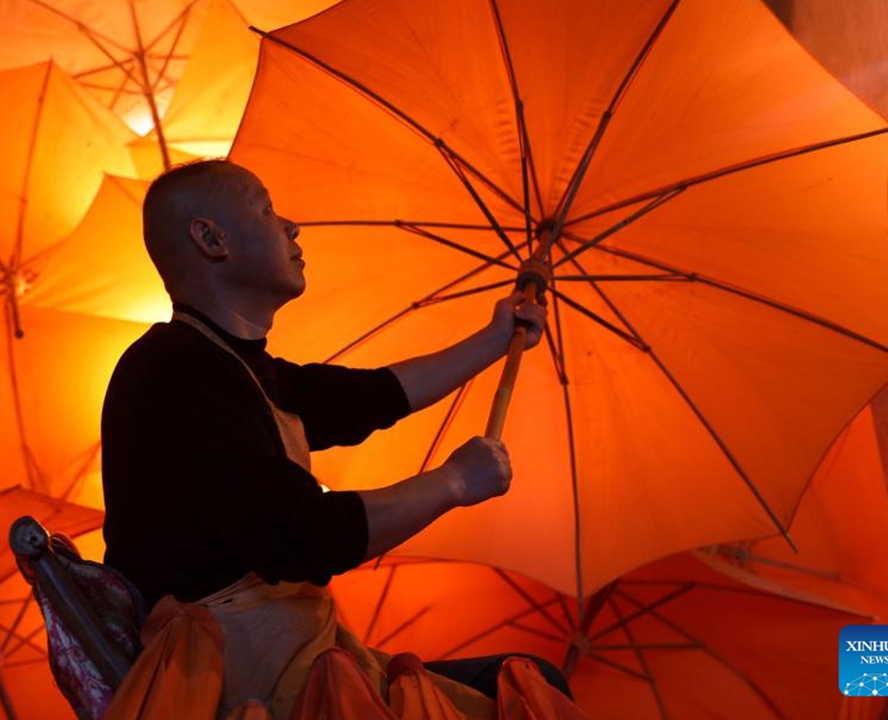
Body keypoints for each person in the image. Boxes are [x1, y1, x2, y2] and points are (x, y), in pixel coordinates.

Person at [101, 159, 567, 716]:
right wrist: (454, 482)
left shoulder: (239, 367)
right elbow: (304, 537)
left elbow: (369, 398)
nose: (291, 226)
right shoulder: (173, 370)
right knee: (525, 688)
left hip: (295, 658)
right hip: (247, 683)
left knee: (533, 676)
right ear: (211, 238)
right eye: (268, 208)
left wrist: (495, 338)